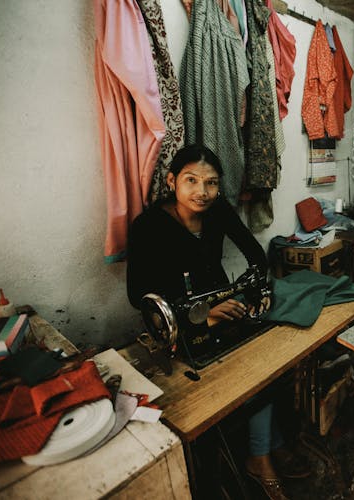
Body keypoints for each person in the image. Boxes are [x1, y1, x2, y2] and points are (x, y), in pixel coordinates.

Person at [127, 144, 307, 500]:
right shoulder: (147, 226)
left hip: (223, 307)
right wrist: (200, 317)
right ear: (171, 180)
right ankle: (261, 456)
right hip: (180, 325)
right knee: (244, 378)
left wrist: (253, 289)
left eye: (211, 183)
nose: (202, 192)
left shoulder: (218, 211)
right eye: (192, 180)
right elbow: (139, 296)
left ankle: (267, 445)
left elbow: (254, 254)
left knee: (269, 361)